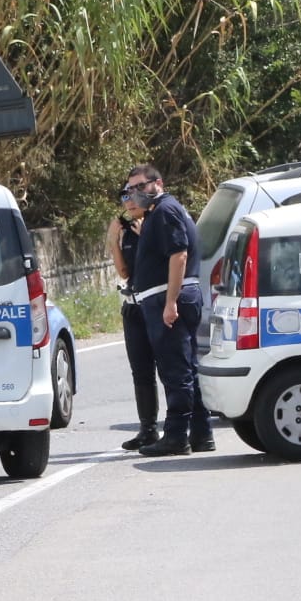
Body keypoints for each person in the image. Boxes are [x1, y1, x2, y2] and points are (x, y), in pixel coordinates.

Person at [125, 164, 213, 456]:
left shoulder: (164, 210)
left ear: (158, 183)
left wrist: (171, 301)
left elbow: (179, 255)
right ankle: (201, 433)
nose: (135, 193)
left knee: (175, 372)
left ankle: (176, 436)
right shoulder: (162, 211)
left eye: (141, 186)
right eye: (131, 189)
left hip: (169, 297)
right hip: (170, 296)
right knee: (186, 369)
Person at [107, 170, 161, 450]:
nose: (128, 202)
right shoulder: (128, 231)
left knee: (171, 369)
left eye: (132, 195)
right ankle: (147, 429)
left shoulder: (157, 224)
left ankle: (182, 427)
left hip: (157, 305)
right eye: (124, 197)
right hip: (134, 305)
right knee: (141, 371)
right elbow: (125, 272)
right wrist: (113, 241)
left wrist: (147, 237)